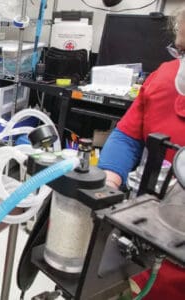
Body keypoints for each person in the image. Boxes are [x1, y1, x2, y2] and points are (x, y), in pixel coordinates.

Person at [98, 4, 185, 299]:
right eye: (183, 53)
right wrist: (109, 178)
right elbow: (128, 136)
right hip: (140, 245)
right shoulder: (165, 77)